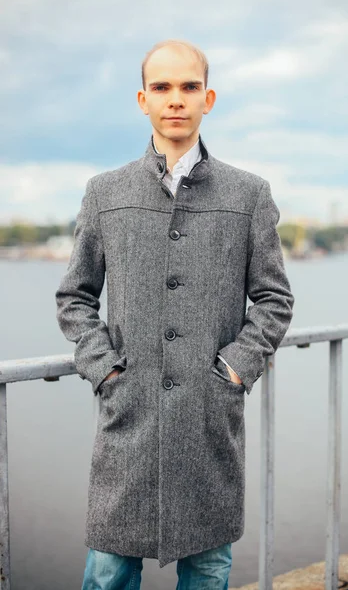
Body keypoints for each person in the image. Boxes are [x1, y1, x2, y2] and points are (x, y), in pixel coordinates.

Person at [55, 38, 295, 590]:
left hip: (209, 422)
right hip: (128, 416)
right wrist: (105, 370)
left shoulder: (249, 194)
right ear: (142, 100)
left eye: (188, 87)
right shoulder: (105, 193)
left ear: (208, 98)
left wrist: (234, 369)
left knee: (208, 569)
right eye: (161, 87)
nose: (175, 99)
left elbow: (275, 299)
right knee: (110, 568)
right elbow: (75, 296)